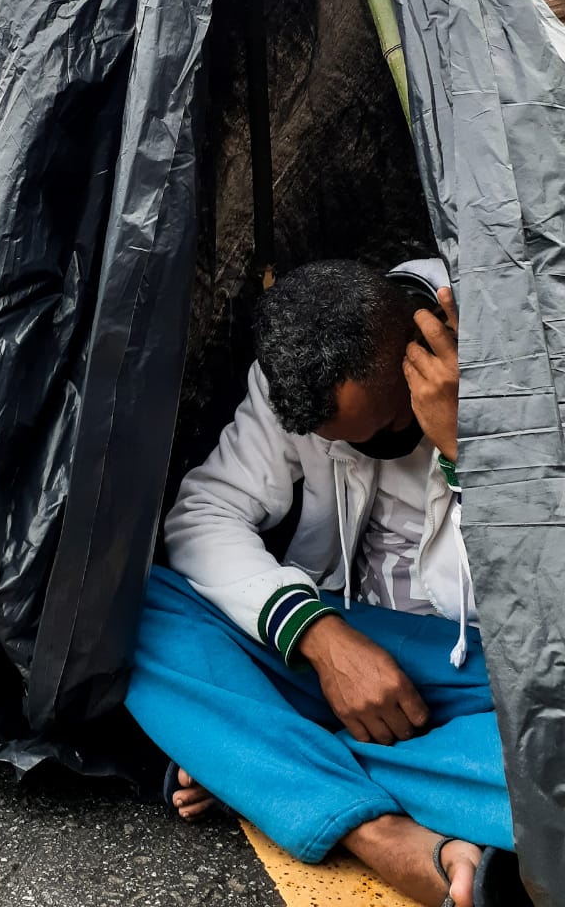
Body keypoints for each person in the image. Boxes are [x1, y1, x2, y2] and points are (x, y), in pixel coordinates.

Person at [126, 260, 525, 907]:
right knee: (134, 608)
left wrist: (466, 447)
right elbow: (205, 515)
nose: (368, 449)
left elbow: (544, 596)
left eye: (391, 432)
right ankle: (378, 828)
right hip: (346, 660)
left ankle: (260, 771)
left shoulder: (521, 348)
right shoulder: (294, 386)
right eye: (344, 443)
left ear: (417, 353)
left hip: (487, 672)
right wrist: (318, 635)